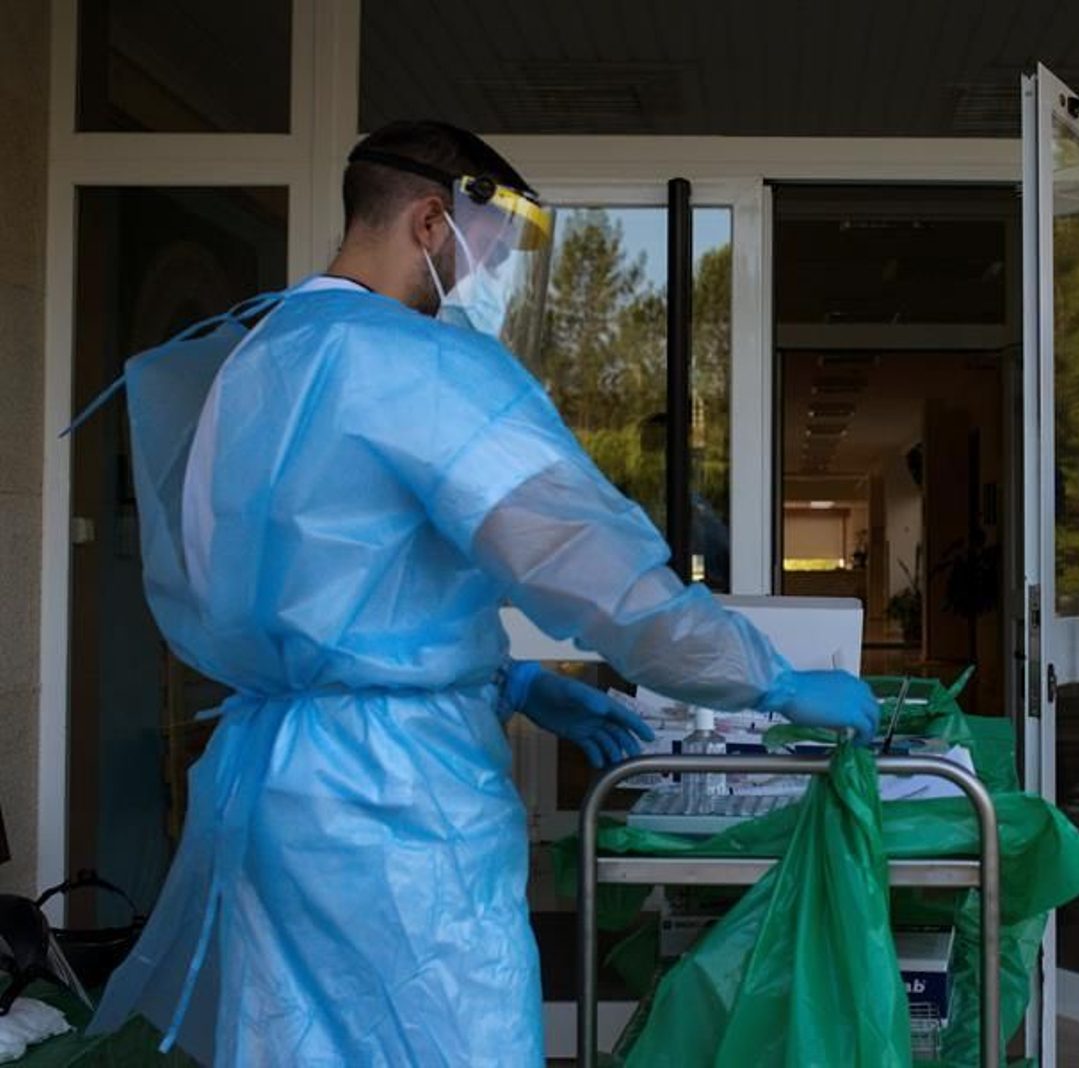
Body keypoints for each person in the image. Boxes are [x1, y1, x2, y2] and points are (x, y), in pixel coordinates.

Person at [82, 120, 880, 1066]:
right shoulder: (415, 367)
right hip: (397, 809)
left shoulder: (255, 360)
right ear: (429, 221)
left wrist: (513, 681)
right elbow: (594, 572)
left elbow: (322, 593)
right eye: (486, 255)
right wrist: (772, 681)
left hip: (272, 789)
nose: (484, 283)